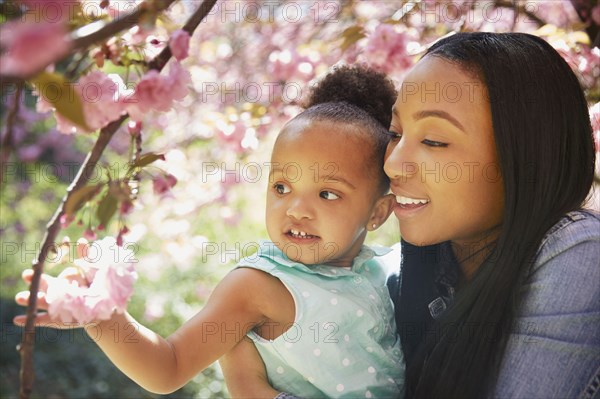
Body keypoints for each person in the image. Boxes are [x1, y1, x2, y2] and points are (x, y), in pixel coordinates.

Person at [221, 32, 600, 398]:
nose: (394, 164)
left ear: (524, 157)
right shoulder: (413, 271)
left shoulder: (577, 252)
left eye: (433, 140)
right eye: (395, 133)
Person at [14, 66, 408, 398]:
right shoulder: (260, 286)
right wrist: (102, 318)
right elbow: (168, 367)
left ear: (377, 213)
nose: (297, 209)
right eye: (281, 187)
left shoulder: (386, 270)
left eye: (327, 193)